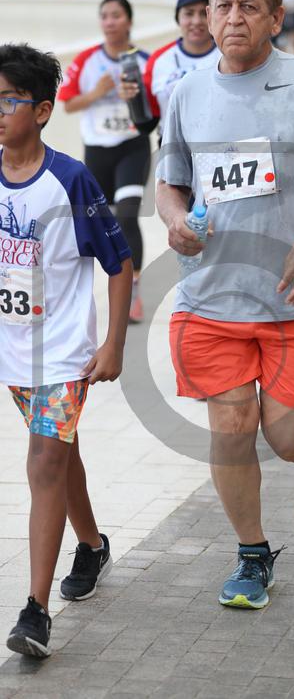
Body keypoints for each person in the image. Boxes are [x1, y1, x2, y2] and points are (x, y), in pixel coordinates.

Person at [156, 0, 294, 610]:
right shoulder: (187, 92)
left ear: (276, 18)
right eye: (222, 6)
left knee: (285, 435)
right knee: (231, 428)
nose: (232, 18)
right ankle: (252, 554)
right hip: (211, 296)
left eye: (249, 7)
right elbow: (171, 185)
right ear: (207, 15)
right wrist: (174, 222)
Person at [0, 44, 133, 657]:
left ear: (43, 110)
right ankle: (93, 545)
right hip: (13, 352)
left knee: (43, 462)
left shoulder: (70, 179)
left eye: (9, 101)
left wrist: (113, 344)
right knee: (61, 454)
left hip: (62, 354)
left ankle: (34, 612)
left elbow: (118, 262)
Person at [57, 0, 150, 323]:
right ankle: (99, 289)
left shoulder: (144, 61)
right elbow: (67, 103)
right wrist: (97, 93)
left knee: (128, 215)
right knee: (102, 225)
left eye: (116, 15)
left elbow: (158, 107)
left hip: (133, 147)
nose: (110, 22)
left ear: (129, 21)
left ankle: (133, 293)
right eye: (105, 16)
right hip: (97, 152)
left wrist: (136, 98)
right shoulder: (86, 60)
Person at [120, 0, 220, 144]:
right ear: (178, 18)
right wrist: (132, 99)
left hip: (218, 149)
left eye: (203, 13)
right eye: (188, 13)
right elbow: (146, 126)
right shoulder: (158, 60)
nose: (196, 21)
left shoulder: (228, 55)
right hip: (171, 149)